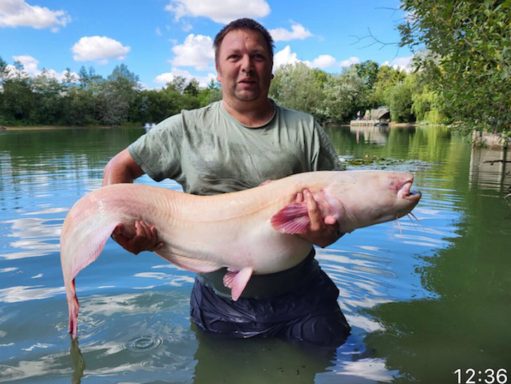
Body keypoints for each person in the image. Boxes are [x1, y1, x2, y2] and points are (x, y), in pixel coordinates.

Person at [102, 18, 350, 347]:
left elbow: (340, 215)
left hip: (305, 299)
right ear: (218, 71)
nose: (247, 66)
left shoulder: (306, 130)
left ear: (271, 70)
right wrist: (124, 228)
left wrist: (327, 233)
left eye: (258, 56)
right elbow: (119, 167)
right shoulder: (184, 129)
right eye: (235, 57)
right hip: (219, 303)